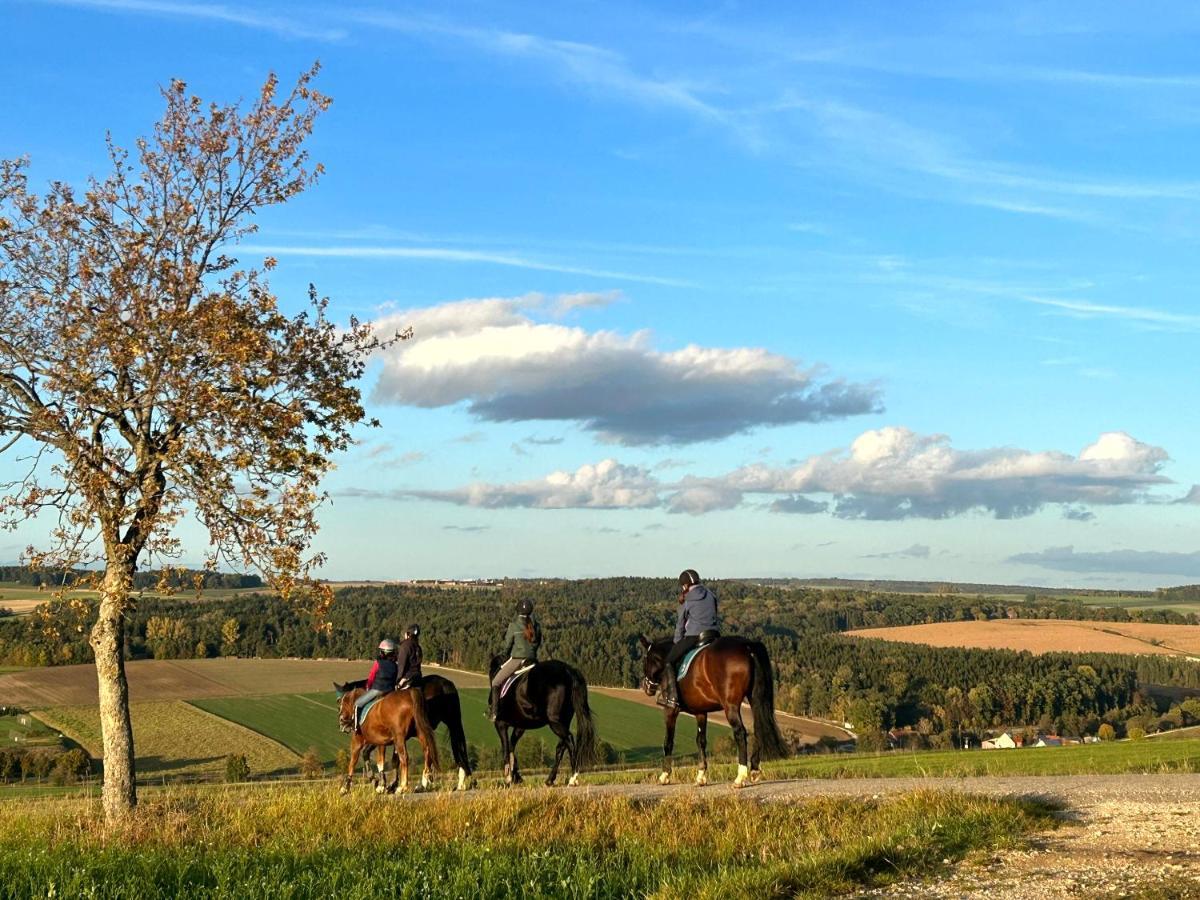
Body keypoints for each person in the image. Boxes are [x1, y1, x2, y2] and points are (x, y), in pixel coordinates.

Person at [658, 569, 719, 709]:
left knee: (669, 661)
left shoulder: (686, 600)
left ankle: (672, 698)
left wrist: (677, 643)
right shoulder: (711, 595)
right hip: (713, 634)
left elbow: (680, 624)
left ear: (685, 585)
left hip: (694, 636)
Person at [487, 598, 542, 720]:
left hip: (517, 659)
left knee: (496, 682)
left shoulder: (513, 625)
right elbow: (538, 643)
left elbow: (507, 645)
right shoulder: (536, 626)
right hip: (533, 660)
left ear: (517, 611)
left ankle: (494, 712)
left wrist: (505, 655)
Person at [354, 639, 399, 733]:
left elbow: (371, 677)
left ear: (383, 652)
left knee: (357, 704)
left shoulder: (377, 663)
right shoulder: (395, 665)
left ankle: (356, 727)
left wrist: (367, 688)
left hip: (377, 690)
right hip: (390, 692)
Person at [395, 624, 423, 690]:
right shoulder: (418, 647)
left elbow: (401, 665)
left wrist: (398, 680)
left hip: (407, 678)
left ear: (408, 634)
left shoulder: (405, 646)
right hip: (418, 677)